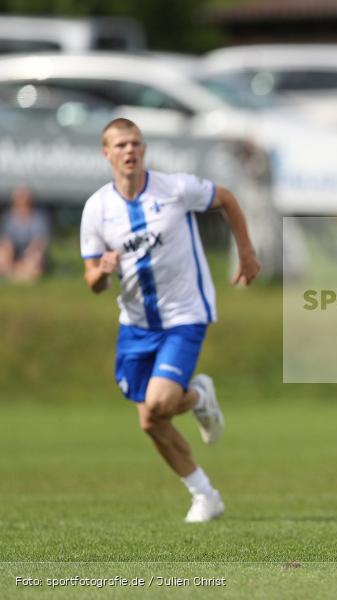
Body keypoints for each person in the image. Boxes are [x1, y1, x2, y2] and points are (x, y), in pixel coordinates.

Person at [80, 118, 260, 523]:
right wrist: (102, 271)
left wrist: (247, 253)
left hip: (185, 314)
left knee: (159, 403)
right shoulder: (97, 209)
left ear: (144, 149)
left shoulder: (174, 189)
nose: (130, 150)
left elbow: (227, 198)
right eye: (121, 145)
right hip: (136, 324)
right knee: (150, 420)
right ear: (106, 153)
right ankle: (205, 493)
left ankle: (193, 396)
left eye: (137, 143)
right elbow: (92, 281)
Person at [0, 186, 51, 283]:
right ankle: (21, 275)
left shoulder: (39, 218)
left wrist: (24, 259)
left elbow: (39, 244)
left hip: (30, 254)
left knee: (35, 259)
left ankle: (15, 274)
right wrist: (8, 256)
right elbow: (7, 242)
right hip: (13, 256)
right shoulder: (9, 218)